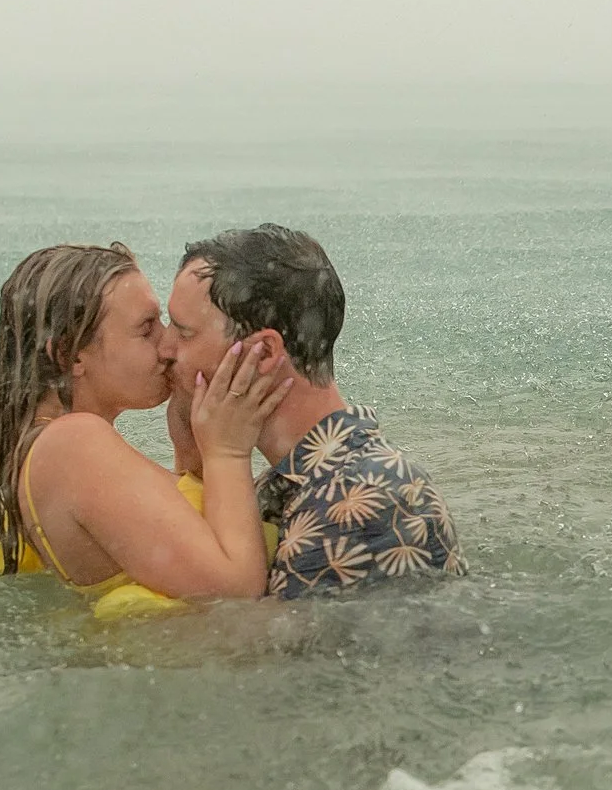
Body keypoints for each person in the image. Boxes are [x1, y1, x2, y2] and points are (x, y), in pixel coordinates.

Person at [0, 241, 292, 600]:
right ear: (69, 355)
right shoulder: (74, 445)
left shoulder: (46, 447)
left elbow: (178, 552)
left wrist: (190, 450)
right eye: (146, 327)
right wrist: (227, 453)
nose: (167, 344)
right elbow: (234, 595)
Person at [165, 225, 463, 597]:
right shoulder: (303, 484)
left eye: (183, 332)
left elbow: (247, 646)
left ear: (264, 354)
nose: (164, 347)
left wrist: (223, 454)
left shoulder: (361, 501)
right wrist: (195, 456)